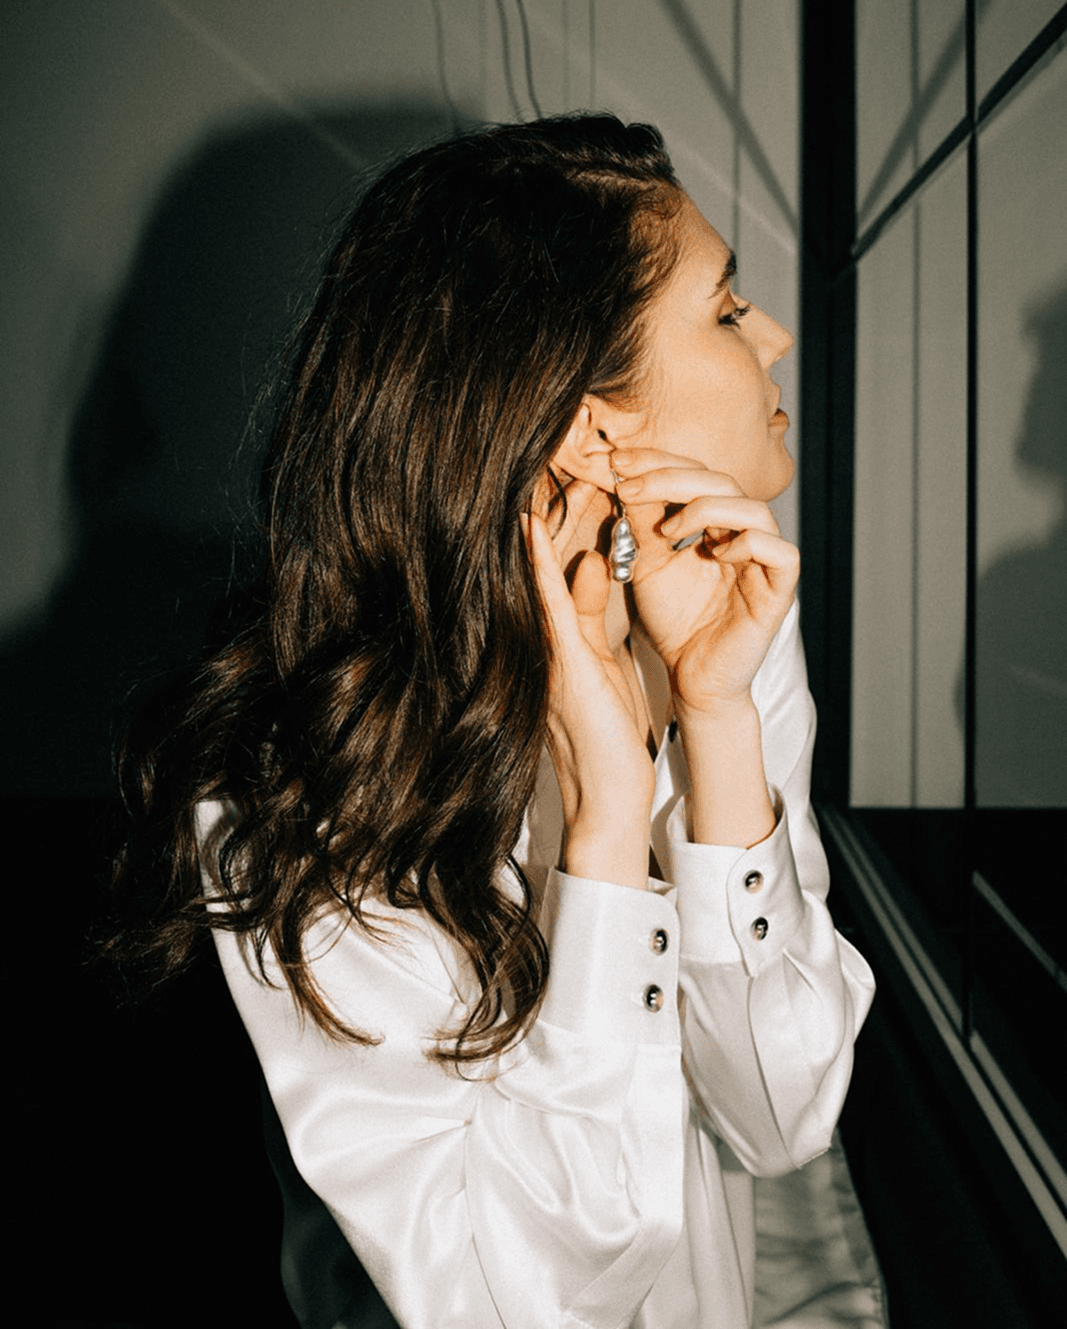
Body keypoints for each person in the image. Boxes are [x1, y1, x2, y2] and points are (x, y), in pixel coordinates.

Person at [113, 114, 883, 1328]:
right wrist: (607, 826)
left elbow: (780, 1119)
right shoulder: (301, 777)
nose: (775, 335)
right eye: (728, 309)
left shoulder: (719, 622)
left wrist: (717, 722)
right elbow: (510, 1301)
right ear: (589, 425)